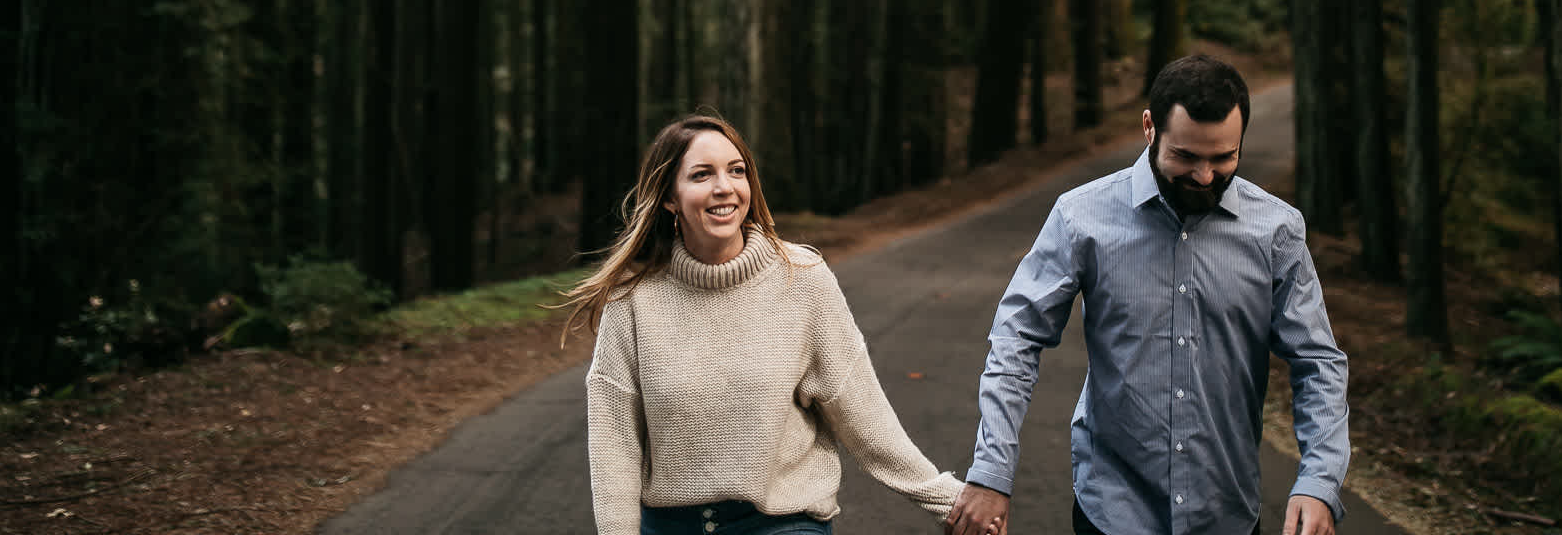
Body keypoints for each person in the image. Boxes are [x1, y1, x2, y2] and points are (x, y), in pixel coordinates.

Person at [945, 54, 1350, 535]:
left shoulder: (1277, 231)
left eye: (1223, 158)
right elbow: (1016, 339)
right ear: (1148, 127)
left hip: (1226, 514)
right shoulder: (1082, 218)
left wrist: (1318, 480)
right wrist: (992, 473)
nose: (1204, 177)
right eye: (1185, 156)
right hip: (1113, 512)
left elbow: (1317, 361)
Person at [565, 112, 990, 535]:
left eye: (736, 171)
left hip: (783, 522)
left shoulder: (801, 278)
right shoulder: (633, 299)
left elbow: (863, 414)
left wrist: (948, 500)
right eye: (701, 175)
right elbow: (614, 446)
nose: (724, 188)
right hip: (672, 526)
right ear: (670, 198)